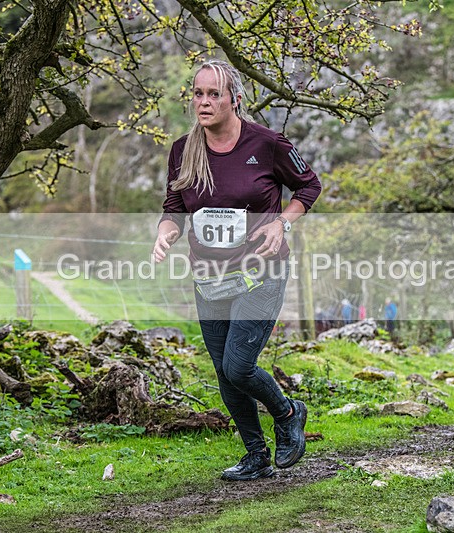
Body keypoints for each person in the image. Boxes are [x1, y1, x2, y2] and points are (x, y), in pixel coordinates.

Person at [151, 59, 321, 480]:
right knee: (224, 372)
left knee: (239, 365)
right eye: (198, 93)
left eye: (214, 94)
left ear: (235, 100)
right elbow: (174, 207)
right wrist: (166, 233)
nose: (204, 102)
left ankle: (288, 412)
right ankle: (255, 455)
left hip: (262, 272)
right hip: (209, 278)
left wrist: (282, 223)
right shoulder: (183, 149)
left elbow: (308, 185)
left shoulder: (267, 144)